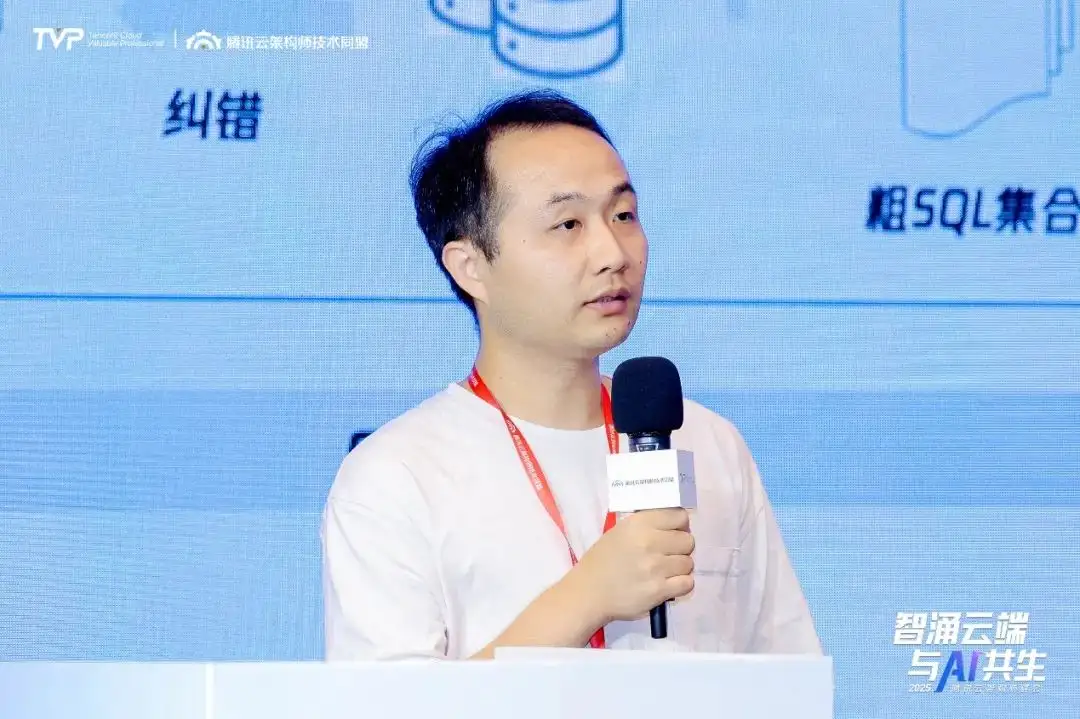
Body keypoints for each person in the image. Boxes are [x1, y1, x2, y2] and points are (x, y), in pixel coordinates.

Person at [321, 89, 822, 660]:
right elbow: (392, 703)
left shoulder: (708, 444)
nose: (613, 253)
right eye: (567, 224)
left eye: (623, 215)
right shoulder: (396, 476)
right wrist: (587, 598)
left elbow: (790, 675)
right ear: (470, 267)